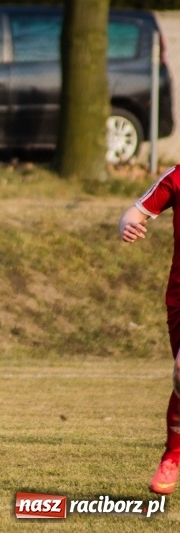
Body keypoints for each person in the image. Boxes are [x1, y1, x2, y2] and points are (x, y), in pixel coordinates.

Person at [119, 164, 180, 495]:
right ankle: (173, 455)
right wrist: (127, 226)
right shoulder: (177, 177)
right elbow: (134, 212)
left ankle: (172, 457)